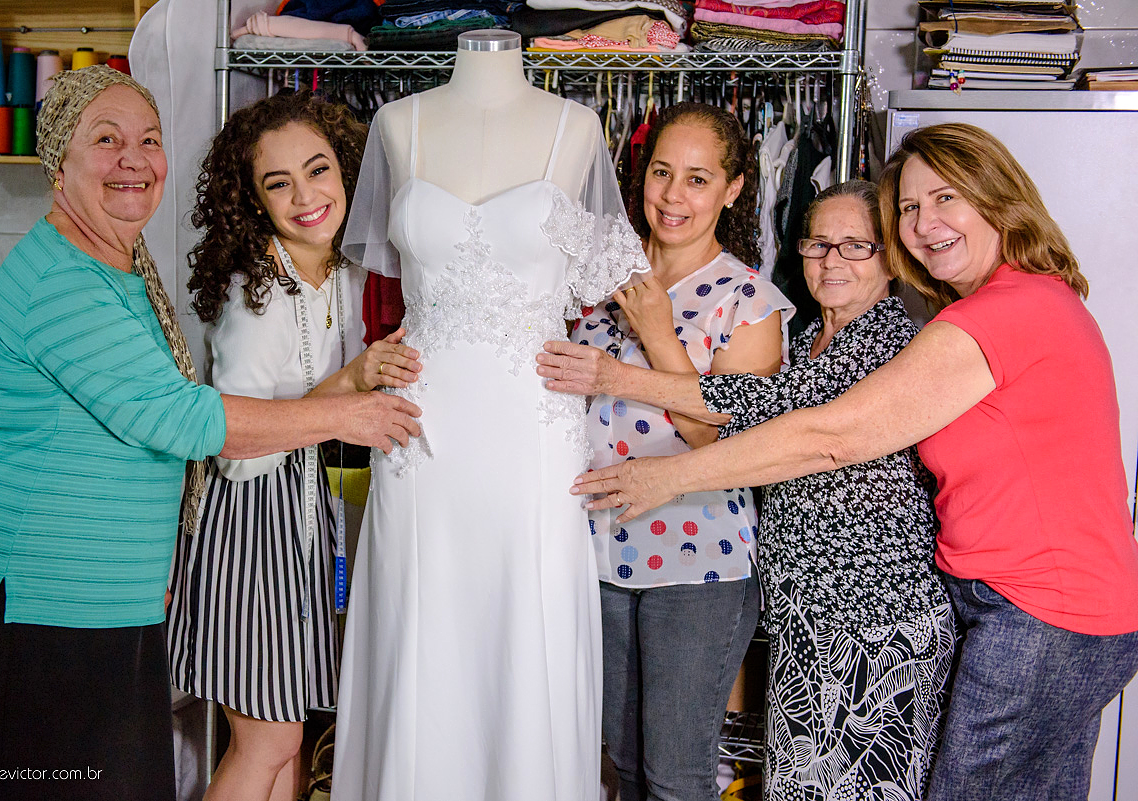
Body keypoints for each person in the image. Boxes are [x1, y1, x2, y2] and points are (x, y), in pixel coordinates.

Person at [554, 123, 1138, 801]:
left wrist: (664, 468)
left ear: (996, 199)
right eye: (911, 208)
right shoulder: (860, 331)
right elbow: (772, 399)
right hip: (939, 610)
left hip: (1020, 614)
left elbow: (829, 435)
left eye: (944, 199)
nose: (926, 223)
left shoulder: (991, 315)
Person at [0, 66, 419, 801]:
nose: (133, 159)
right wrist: (347, 407)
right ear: (59, 160)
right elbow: (184, 418)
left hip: (98, 595)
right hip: (34, 600)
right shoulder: (63, 282)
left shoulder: (116, 267)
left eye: (149, 139)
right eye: (107, 139)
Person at [332, 31, 649, 801]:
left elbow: (603, 286)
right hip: (421, 427)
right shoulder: (397, 125)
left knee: (525, 621)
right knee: (420, 621)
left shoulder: (574, 129)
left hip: (530, 427)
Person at [165, 91, 421, 801]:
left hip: (300, 521)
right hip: (247, 528)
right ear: (252, 200)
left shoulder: (347, 273)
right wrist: (350, 389)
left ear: (348, 174)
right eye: (278, 183)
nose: (306, 196)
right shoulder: (260, 297)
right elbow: (237, 452)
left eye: (319, 171)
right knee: (269, 740)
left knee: (291, 742)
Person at [574, 102, 792, 801]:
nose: (673, 195)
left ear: (732, 190)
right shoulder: (596, 280)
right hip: (598, 553)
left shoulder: (749, 300)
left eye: (699, 179)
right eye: (662, 172)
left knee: (676, 775)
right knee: (627, 766)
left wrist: (658, 335)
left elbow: (728, 437)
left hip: (699, 564)